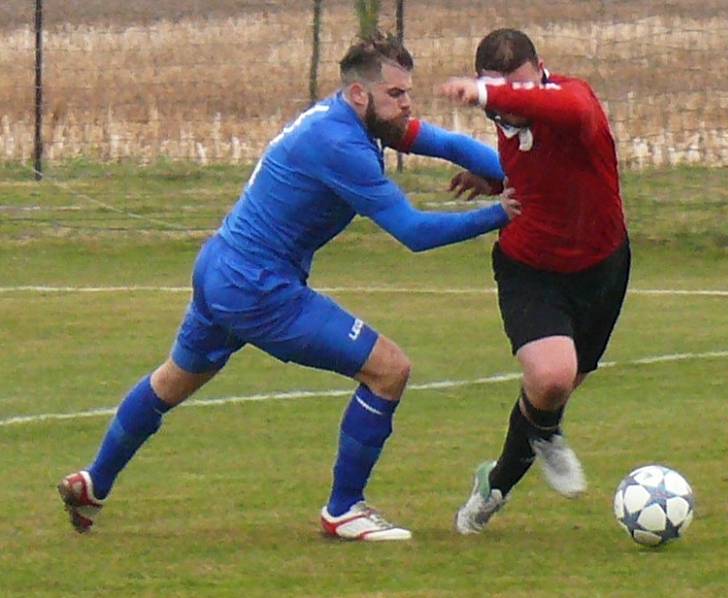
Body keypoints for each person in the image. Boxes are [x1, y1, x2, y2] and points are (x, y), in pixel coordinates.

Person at [57, 30, 519, 542]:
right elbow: (412, 232)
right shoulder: (341, 144)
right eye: (396, 94)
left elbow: (449, 145)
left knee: (172, 381)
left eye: (408, 92)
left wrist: (527, 177)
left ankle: (92, 482)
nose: (407, 105)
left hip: (221, 268)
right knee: (389, 369)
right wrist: (501, 213)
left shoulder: (352, 117)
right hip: (258, 285)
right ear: (360, 94)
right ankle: (344, 510)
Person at [438, 28, 630, 534]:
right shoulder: (504, 116)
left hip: (603, 267)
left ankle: (493, 485)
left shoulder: (572, 100)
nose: (513, 107)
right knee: (550, 378)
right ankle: (546, 435)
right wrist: (500, 182)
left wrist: (485, 92)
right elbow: (543, 171)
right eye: (500, 97)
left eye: (521, 91)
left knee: (553, 394)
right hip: (531, 268)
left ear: (540, 70)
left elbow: (567, 114)